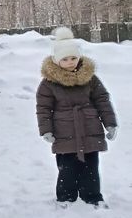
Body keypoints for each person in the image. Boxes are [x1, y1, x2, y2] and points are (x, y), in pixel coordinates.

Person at [36, 27, 118, 207]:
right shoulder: (48, 84)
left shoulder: (90, 78)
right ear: (56, 60)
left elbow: (102, 101)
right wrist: (46, 130)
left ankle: (92, 196)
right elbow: (43, 109)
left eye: (73, 58)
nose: (70, 62)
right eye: (65, 59)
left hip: (90, 129)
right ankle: (66, 197)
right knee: (67, 168)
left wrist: (110, 124)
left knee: (91, 167)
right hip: (64, 132)